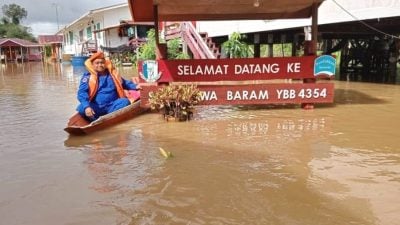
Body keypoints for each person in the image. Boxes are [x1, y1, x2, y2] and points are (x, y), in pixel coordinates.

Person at [76, 51, 140, 121]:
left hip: (112, 106)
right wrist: (87, 107)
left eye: (102, 63)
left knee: (125, 101)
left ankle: (106, 119)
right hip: (97, 107)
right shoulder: (87, 77)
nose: (100, 65)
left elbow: (125, 83)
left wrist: (135, 87)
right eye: (97, 63)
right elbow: (82, 92)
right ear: (92, 65)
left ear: (105, 63)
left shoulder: (113, 75)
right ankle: (95, 119)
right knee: (81, 107)